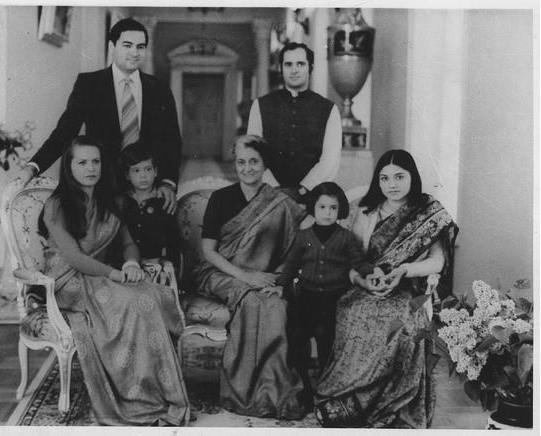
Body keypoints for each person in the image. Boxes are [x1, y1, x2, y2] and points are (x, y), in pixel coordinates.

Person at [38, 136, 189, 426]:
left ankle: (154, 390)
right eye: (82, 162)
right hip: (68, 281)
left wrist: (131, 263)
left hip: (102, 274)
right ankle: (131, 395)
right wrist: (116, 274)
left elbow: (128, 243)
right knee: (134, 301)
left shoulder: (110, 201)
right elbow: (74, 257)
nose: (91, 168)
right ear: (69, 167)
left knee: (150, 295)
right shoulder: (56, 205)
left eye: (95, 161)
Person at [314, 149, 459, 428]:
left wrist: (404, 270)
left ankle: (374, 403)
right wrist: (363, 281)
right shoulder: (366, 211)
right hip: (368, 285)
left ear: (412, 177)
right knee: (355, 312)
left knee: (402, 323)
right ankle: (347, 395)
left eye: (399, 177)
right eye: (384, 178)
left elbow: (437, 261)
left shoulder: (428, 212)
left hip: (409, 288)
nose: (392, 184)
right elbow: (351, 260)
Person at [195, 135, 308, 419]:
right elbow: (208, 251)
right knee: (251, 301)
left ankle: (272, 392)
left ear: (265, 164)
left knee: (276, 305)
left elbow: (293, 251)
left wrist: (279, 281)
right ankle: (244, 392)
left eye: (254, 162)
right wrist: (245, 276)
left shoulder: (281, 203)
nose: (247, 168)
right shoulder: (221, 198)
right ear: (234, 164)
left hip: (264, 276)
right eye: (241, 162)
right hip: (221, 272)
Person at [16, 18, 181, 213]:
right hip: (99, 189)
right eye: (127, 45)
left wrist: (168, 183)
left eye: (140, 47)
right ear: (112, 47)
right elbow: (64, 133)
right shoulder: (89, 84)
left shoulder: (159, 88)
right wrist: (33, 166)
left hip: (146, 191)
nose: (135, 53)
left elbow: (172, 141)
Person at [273, 182, 368, 402]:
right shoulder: (303, 236)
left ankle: (326, 385)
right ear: (313, 208)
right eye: (322, 207)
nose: (327, 213)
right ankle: (304, 384)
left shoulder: (346, 237)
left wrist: (374, 272)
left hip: (333, 298)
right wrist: (280, 285)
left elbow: (359, 263)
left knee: (325, 335)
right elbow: (291, 264)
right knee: (297, 334)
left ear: (340, 210)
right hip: (306, 296)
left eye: (333, 208)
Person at [246, 42, 343, 202]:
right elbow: (254, 153)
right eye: (288, 64)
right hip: (268, 194)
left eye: (300, 64)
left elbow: (330, 160)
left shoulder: (328, 109)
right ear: (281, 68)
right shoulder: (260, 105)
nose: (294, 70)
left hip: (313, 197)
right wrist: (275, 188)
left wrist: (304, 189)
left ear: (310, 67)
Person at [116, 145, 180, 268]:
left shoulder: (164, 201)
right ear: (127, 175)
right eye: (136, 171)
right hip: (129, 264)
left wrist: (170, 264)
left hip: (158, 264)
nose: (143, 176)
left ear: (155, 172)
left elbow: (173, 238)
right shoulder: (123, 202)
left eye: (148, 169)